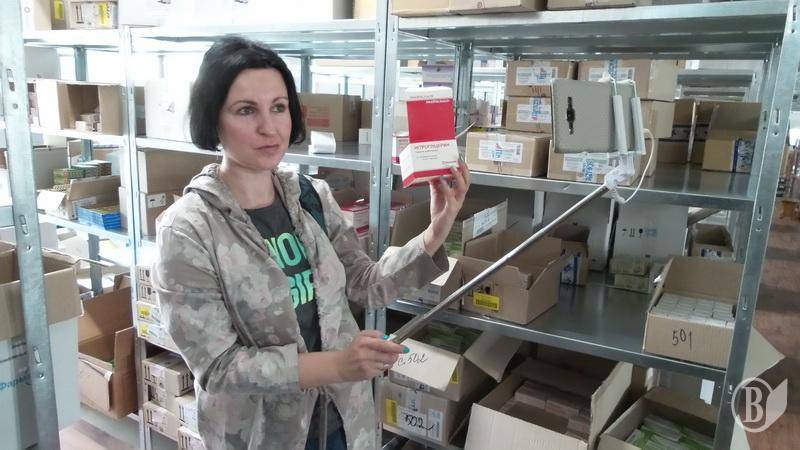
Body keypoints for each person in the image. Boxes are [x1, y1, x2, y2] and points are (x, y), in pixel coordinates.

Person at [151, 36, 471, 450]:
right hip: (265, 435)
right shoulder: (189, 230)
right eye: (246, 110)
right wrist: (337, 365)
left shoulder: (309, 197)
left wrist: (437, 228)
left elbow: (364, 284)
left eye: (278, 107)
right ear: (213, 120)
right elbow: (219, 368)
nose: (269, 127)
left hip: (343, 419)